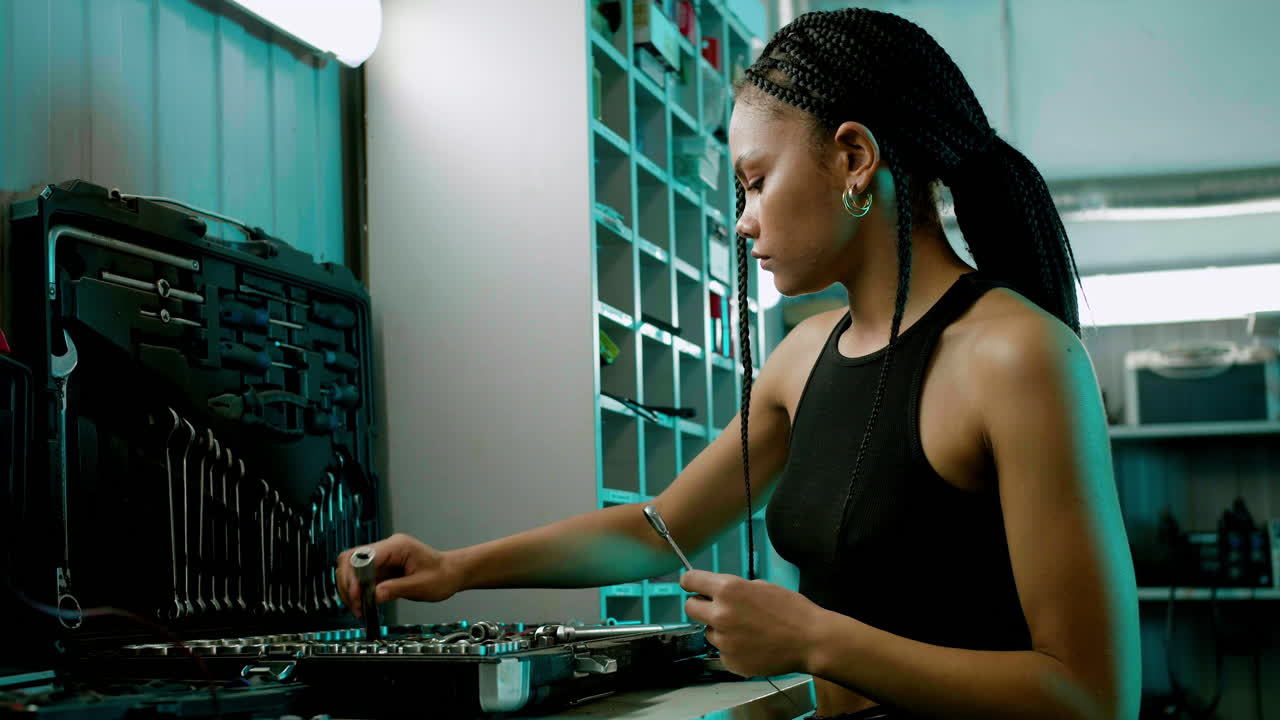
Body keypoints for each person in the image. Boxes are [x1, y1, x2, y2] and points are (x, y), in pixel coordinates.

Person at [337, 8, 1141, 720]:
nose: (746, 222)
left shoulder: (1017, 357)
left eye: (755, 183)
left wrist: (816, 641)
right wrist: (456, 568)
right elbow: (660, 531)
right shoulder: (801, 358)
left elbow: (1091, 698)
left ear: (853, 157)